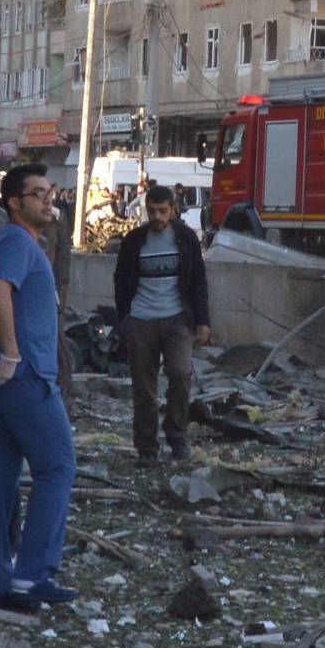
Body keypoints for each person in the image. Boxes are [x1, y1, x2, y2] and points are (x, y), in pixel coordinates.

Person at [0, 164, 77, 609]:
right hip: (25, 376)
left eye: (49, 192)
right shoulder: (14, 240)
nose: (48, 200)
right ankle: (32, 575)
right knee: (58, 468)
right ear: (14, 202)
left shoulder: (14, 243)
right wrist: (9, 353)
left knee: (1, 477)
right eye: (38, 194)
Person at [115, 181, 212, 464]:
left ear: (173, 210)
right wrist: (125, 318)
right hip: (141, 321)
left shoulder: (185, 238)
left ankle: (177, 435)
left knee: (181, 374)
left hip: (177, 320)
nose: (156, 217)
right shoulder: (134, 241)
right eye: (152, 211)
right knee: (144, 387)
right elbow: (121, 279)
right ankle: (146, 447)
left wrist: (203, 321)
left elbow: (198, 281)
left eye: (162, 211)